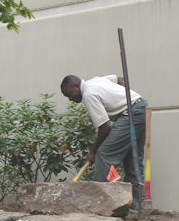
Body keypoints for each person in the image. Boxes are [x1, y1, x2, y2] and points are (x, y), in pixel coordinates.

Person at [60, 74, 147, 210]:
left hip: (131, 113)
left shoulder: (88, 94)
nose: (70, 99)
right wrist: (123, 98)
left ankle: (98, 204)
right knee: (132, 158)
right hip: (141, 108)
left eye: (69, 94)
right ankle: (136, 207)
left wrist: (93, 151)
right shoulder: (95, 81)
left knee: (104, 154)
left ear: (77, 86)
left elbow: (104, 126)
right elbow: (119, 79)